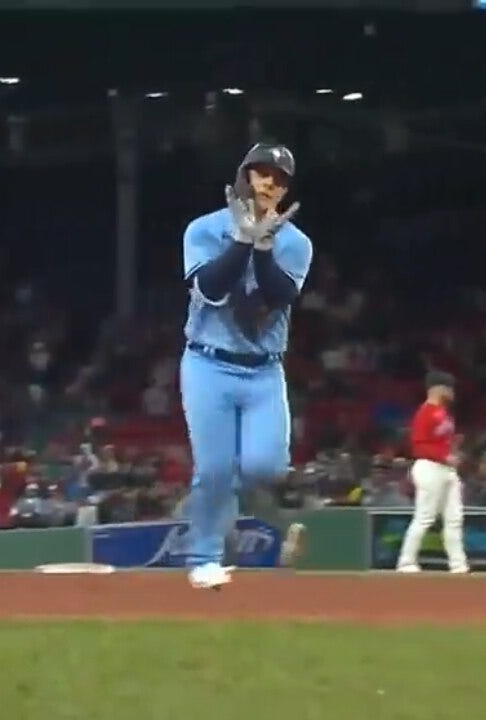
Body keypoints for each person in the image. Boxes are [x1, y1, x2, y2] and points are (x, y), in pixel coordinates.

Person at [180, 142, 313, 590]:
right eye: (261, 173)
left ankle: (229, 515)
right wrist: (242, 239)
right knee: (213, 470)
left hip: (263, 369)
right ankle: (205, 557)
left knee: (264, 467)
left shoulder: (296, 242)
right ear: (244, 175)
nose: (269, 182)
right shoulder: (204, 228)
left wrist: (264, 245)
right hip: (207, 363)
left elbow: (277, 297)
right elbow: (212, 290)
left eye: (279, 178)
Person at [396, 371, 469, 574]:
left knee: (454, 518)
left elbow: (440, 443)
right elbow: (418, 446)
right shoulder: (425, 412)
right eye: (449, 387)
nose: (452, 392)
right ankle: (406, 561)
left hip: (446, 469)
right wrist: (444, 456)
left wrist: (453, 452)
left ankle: (458, 564)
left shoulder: (444, 413)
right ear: (438, 388)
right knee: (425, 517)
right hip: (429, 467)